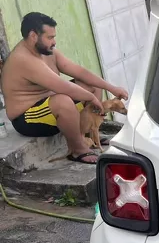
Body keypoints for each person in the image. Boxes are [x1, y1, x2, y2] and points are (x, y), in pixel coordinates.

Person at [0, 12, 128, 164]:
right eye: (49, 37)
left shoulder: (47, 51)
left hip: (49, 105)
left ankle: (89, 136)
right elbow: (63, 86)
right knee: (64, 101)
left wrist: (112, 88)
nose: (54, 42)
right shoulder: (23, 59)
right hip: (27, 119)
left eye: (54, 37)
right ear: (33, 35)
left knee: (92, 86)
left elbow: (79, 71)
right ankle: (77, 150)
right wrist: (91, 98)